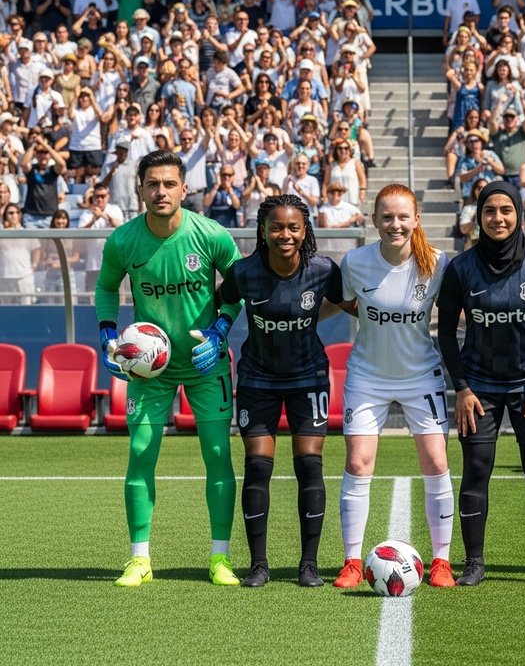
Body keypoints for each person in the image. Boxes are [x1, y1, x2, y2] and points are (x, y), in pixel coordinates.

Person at [95, 149, 243, 587]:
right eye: (152, 184)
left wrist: (219, 331)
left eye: (168, 183)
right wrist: (108, 336)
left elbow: (237, 290)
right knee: (140, 454)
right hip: (148, 371)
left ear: (184, 188)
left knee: (217, 455)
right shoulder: (122, 240)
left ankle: (220, 558)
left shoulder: (211, 234)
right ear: (139, 190)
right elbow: (106, 288)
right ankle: (139, 558)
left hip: (205, 364)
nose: (161, 191)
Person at [437, 182, 525, 587]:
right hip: (479, 388)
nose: (498, 218)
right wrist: (461, 388)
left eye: (506, 210)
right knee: (476, 469)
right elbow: (444, 332)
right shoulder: (461, 268)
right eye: (490, 211)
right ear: (479, 218)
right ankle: (474, 562)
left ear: (519, 215)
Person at [218, 194, 352, 587]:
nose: (285, 234)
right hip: (258, 378)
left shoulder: (324, 269)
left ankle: (308, 565)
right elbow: (217, 304)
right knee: (258, 467)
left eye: (293, 227)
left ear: (305, 230)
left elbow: (353, 305)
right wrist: (210, 334)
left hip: (308, 375)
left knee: (309, 465)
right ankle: (259, 565)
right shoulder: (244, 272)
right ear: (263, 230)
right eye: (276, 227)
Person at [332, 184, 456, 590]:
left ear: (416, 219)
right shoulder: (355, 262)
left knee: (437, 462)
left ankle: (441, 561)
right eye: (387, 217)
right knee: (357, 463)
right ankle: (352, 561)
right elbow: (347, 302)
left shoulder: (437, 263)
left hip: (421, 375)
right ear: (374, 221)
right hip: (367, 376)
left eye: (403, 217)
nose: (395, 225)